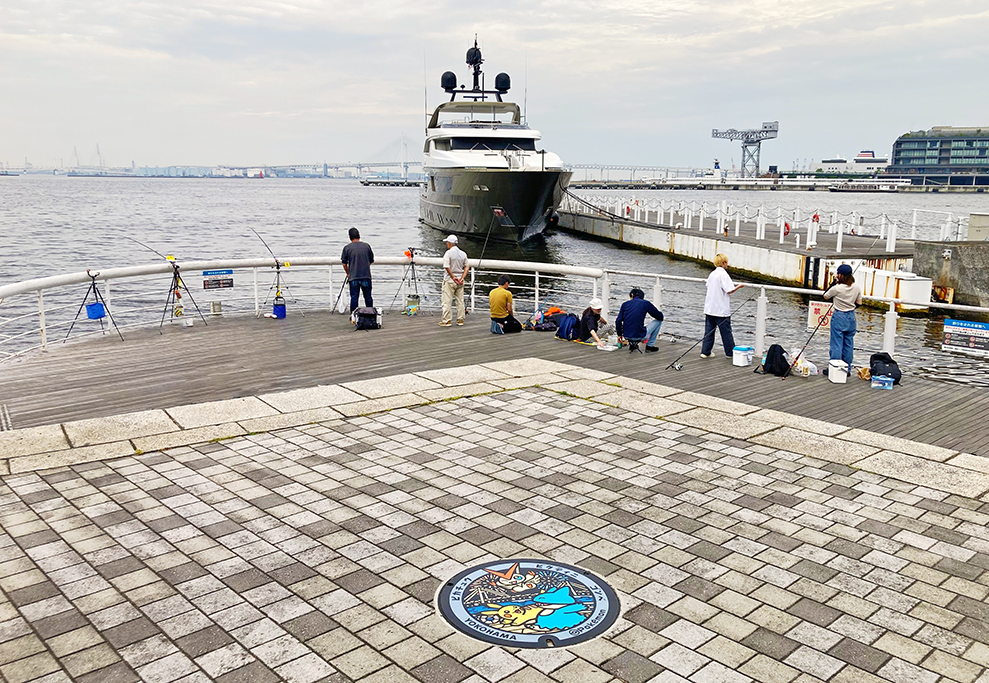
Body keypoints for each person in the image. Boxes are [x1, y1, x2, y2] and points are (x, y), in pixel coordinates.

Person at [701, 253, 743, 358]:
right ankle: (730, 353)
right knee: (726, 333)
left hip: (710, 308)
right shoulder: (723, 274)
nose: (727, 265)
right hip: (721, 310)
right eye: (727, 263)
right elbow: (729, 290)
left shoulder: (712, 274)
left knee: (709, 332)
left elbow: (708, 286)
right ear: (724, 263)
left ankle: (705, 352)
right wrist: (739, 286)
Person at [823, 263, 862, 376]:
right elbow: (859, 303)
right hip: (851, 317)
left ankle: (835, 368)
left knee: (836, 344)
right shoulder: (856, 287)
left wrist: (833, 283)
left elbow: (825, 295)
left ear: (840, 275)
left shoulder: (837, 288)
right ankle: (847, 369)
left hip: (839, 316)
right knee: (848, 344)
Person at [615, 288, 664, 353]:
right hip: (640, 335)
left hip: (626, 336)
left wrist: (619, 334)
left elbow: (618, 321)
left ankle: (632, 344)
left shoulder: (625, 304)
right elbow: (660, 317)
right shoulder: (645, 303)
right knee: (658, 321)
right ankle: (650, 345)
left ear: (632, 295)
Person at [340, 228, 374, 312]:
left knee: (354, 298)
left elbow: (344, 264)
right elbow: (371, 260)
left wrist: (348, 273)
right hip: (366, 275)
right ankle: (370, 314)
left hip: (353, 276)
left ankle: (354, 316)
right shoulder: (367, 246)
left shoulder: (347, 248)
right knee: (368, 297)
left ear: (349, 237)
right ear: (359, 236)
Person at [440, 235, 469, 327]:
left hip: (450, 280)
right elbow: (467, 266)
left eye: (447, 243)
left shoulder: (448, 253)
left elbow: (446, 266)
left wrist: (453, 277)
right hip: (460, 280)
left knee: (447, 301)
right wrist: (462, 277)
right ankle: (460, 320)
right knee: (460, 301)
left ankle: (447, 320)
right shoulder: (463, 253)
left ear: (449, 243)